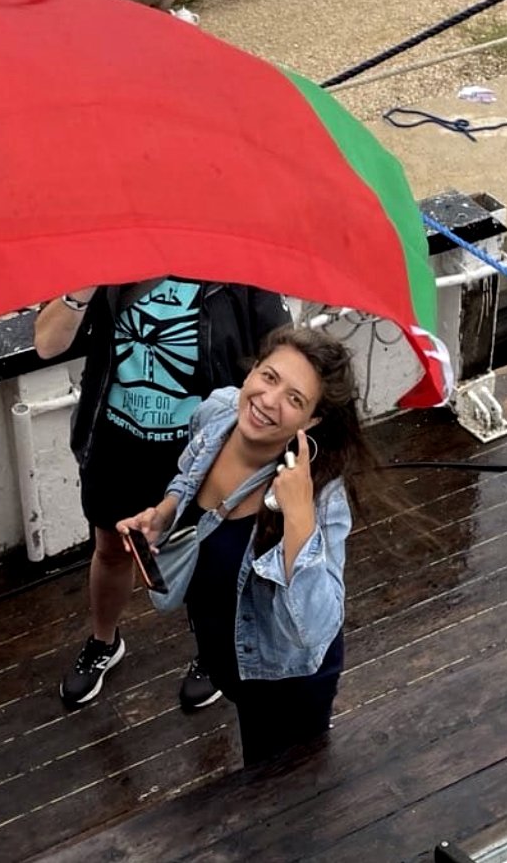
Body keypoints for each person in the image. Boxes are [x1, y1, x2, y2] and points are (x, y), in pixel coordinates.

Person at [35, 280, 291, 710]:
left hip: (202, 448)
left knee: (206, 558)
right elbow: (47, 344)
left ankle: (212, 652)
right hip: (116, 444)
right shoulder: (111, 262)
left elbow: (280, 353)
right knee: (112, 549)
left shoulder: (235, 271)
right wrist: (84, 284)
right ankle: (103, 641)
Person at [118, 326, 367, 766]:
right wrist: (167, 510)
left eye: (295, 399)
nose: (269, 401)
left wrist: (300, 521)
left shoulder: (321, 496)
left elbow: (317, 629)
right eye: (269, 377)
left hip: (282, 680)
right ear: (253, 370)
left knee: (274, 790)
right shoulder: (217, 412)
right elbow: (189, 472)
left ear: (311, 422)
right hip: (222, 651)